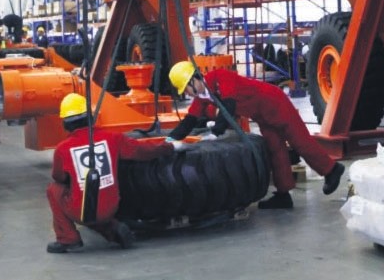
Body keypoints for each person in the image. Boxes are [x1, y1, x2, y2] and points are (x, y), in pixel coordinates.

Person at [167, 61, 345, 210]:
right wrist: (170, 139)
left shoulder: (220, 77)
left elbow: (229, 103)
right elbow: (190, 119)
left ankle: (331, 170)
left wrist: (216, 131)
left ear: (193, 80)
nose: (187, 94)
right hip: (262, 114)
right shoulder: (203, 97)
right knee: (275, 151)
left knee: (300, 141)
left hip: (275, 103)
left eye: (186, 89)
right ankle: (283, 195)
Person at [46, 93, 184, 253]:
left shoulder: (63, 149)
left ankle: (68, 239)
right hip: (111, 206)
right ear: (91, 117)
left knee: (54, 190)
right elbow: (142, 150)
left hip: (82, 209)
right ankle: (113, 229)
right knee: (96, 207)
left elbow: (58, 177)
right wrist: (171, 146)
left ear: (66, 124)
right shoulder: (113, 138)